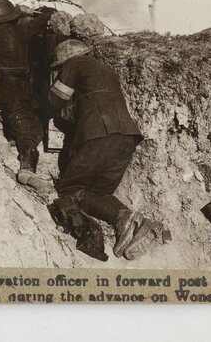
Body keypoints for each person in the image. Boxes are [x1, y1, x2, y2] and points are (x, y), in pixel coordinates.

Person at [47, 39, 167, 259]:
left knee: (71, 190)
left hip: (99, 134)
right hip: (127, 137)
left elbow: (57, 99)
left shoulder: (74, 64)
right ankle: (132, 220)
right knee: (99, 192)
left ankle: (124, 218)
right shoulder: (107, 71)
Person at [0, 0, 55, 192]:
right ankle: (27, 168)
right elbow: (45, 18)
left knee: (12, 119)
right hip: (15, 86)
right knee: (28, 128)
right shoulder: (17, 29)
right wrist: (37, 12)